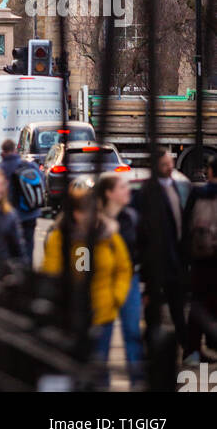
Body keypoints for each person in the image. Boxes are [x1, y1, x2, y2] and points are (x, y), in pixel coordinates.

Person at [42, 184, 132, 385]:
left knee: (99, 368)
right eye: (82, 212)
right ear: (73, 214)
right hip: (71, 313)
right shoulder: (60, 238)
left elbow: (123, 268)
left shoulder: (109, 236)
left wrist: (116, 297)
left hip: (102, 312)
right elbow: (51, 271)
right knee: (75, 368)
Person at [135, 147, 189, 345]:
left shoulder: (173, 185)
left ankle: (185, 345)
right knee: (154, 307)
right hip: (156, 258)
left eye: (171, 163)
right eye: (165, 164)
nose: (170, 167)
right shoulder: (149, 191)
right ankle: (151, 343)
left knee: (176, 306)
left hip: (174, 256)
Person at [98, 172, 144, 386]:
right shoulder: (94, 221)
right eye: (123, 187)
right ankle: (99, 382)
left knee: (132, 331)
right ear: (109, 193)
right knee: (100, 335)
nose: (128, 191)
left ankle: (137, 380)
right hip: (100, 282)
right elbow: (82, 255)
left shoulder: (131, 217)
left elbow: (141, 250)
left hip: (128, 280)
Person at [181, 153, 217, 363]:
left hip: (201, 259)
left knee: (198, 304)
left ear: (210, 172)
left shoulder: (199, 194)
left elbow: (187, 226)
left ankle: (193, 349)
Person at [0, 137, 46, 265]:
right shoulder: (28, 165)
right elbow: (41, 180)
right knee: (29, 243)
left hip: (9, 215)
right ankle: (28, 271)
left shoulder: (0, 169)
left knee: (10, 247)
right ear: (15, 150)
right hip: (30, 212)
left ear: (2, 152)